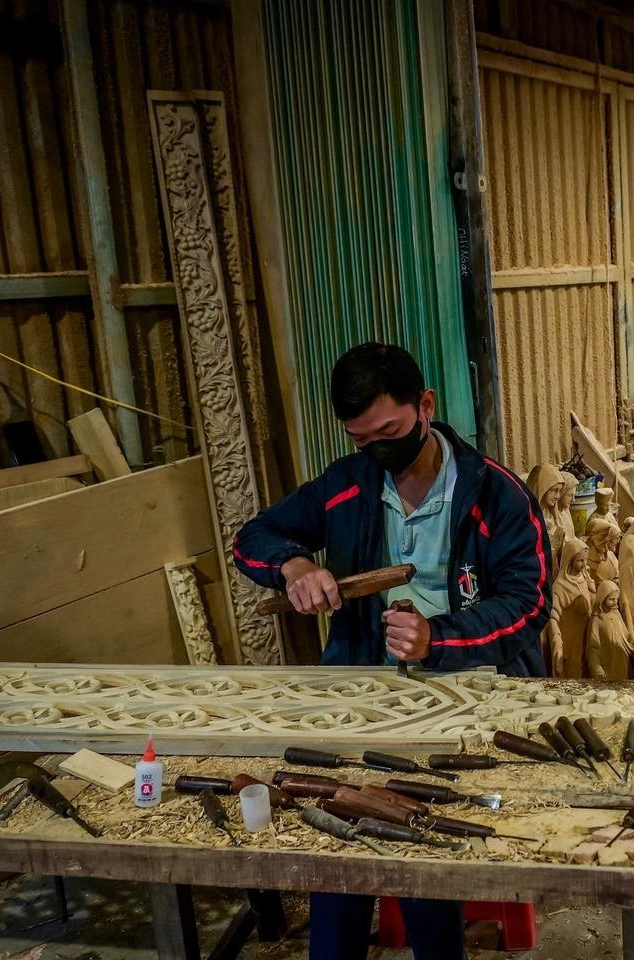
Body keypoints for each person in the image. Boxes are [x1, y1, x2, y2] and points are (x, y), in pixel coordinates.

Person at [232, 342, 551, 960]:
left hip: (462, 694)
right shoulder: (347, 486)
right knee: (336, 855)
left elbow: (529, 606)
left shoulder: (497, 495)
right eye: (362, 439)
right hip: (358, 697)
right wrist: (294, 564)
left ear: (425, 406)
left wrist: (441, 637)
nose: (379, 450)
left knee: (422, 855)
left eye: (392, 431)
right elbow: (252, 538)